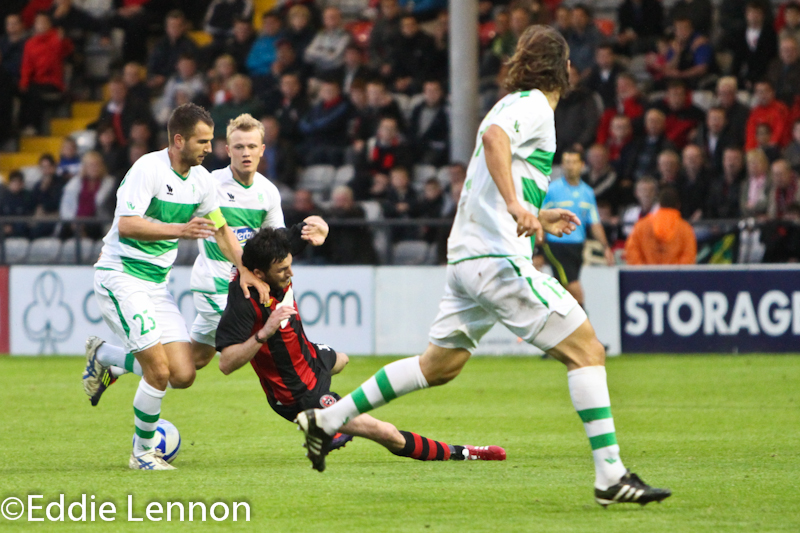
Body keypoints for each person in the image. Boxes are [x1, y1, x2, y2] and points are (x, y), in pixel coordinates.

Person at [294, 25, 671, 507]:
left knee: (439, 365)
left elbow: (499, 160)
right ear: (562, 67)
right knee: (588, 351)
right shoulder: (532, 104)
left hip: (468, 258)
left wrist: (536, 213)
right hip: (494, 258)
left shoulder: (519, 106)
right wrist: (516, 205)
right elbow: (493, 139)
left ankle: (328, 419)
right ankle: (610, 477)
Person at [81, 103, 270, 470]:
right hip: (121, 277)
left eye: (211, 141)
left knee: (182, 374)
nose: (209, 149)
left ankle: (105, 356)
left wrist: (244, 269)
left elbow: (220, 229)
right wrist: (179, 230)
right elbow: (128, 225)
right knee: (158, 371)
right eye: (202, 141)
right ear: (178, 140)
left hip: (155, 286)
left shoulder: (201, 181)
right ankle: (142, 454)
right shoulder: (148, 169)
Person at [216, 227, 505, 462]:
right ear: (259, 272)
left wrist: (321, 225)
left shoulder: (274, 253)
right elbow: (226, 363)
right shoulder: (243, 301)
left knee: (342, 359)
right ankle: (465, 453)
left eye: (290, 266)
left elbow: (307, 227)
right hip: (297, 394)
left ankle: (330, 424)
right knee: (385, 432)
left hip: (311, 358)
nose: (290, 274)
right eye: (282, 271)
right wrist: (264, 332)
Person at [541, 150, 614, 307]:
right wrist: (537, 243)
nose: (570, 166)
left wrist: (606, 247)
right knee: (575, 289)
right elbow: (539, 217)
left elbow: (594, 223)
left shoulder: (587, 192)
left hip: (577, 246)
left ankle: (561, 328)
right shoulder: (552, 190)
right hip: (556, 245)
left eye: (574, 162)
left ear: (582, 165)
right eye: (567, 162)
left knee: (562, 291)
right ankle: (584, 326)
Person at [625, 187, 697, 265]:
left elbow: (631, 250)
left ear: (659, 204)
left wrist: (642, 271)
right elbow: (689, 255)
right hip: (674, 276)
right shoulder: (685, 228)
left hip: (646, 275)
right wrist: (677, 274)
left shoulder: (641, 225)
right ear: (678, 205)